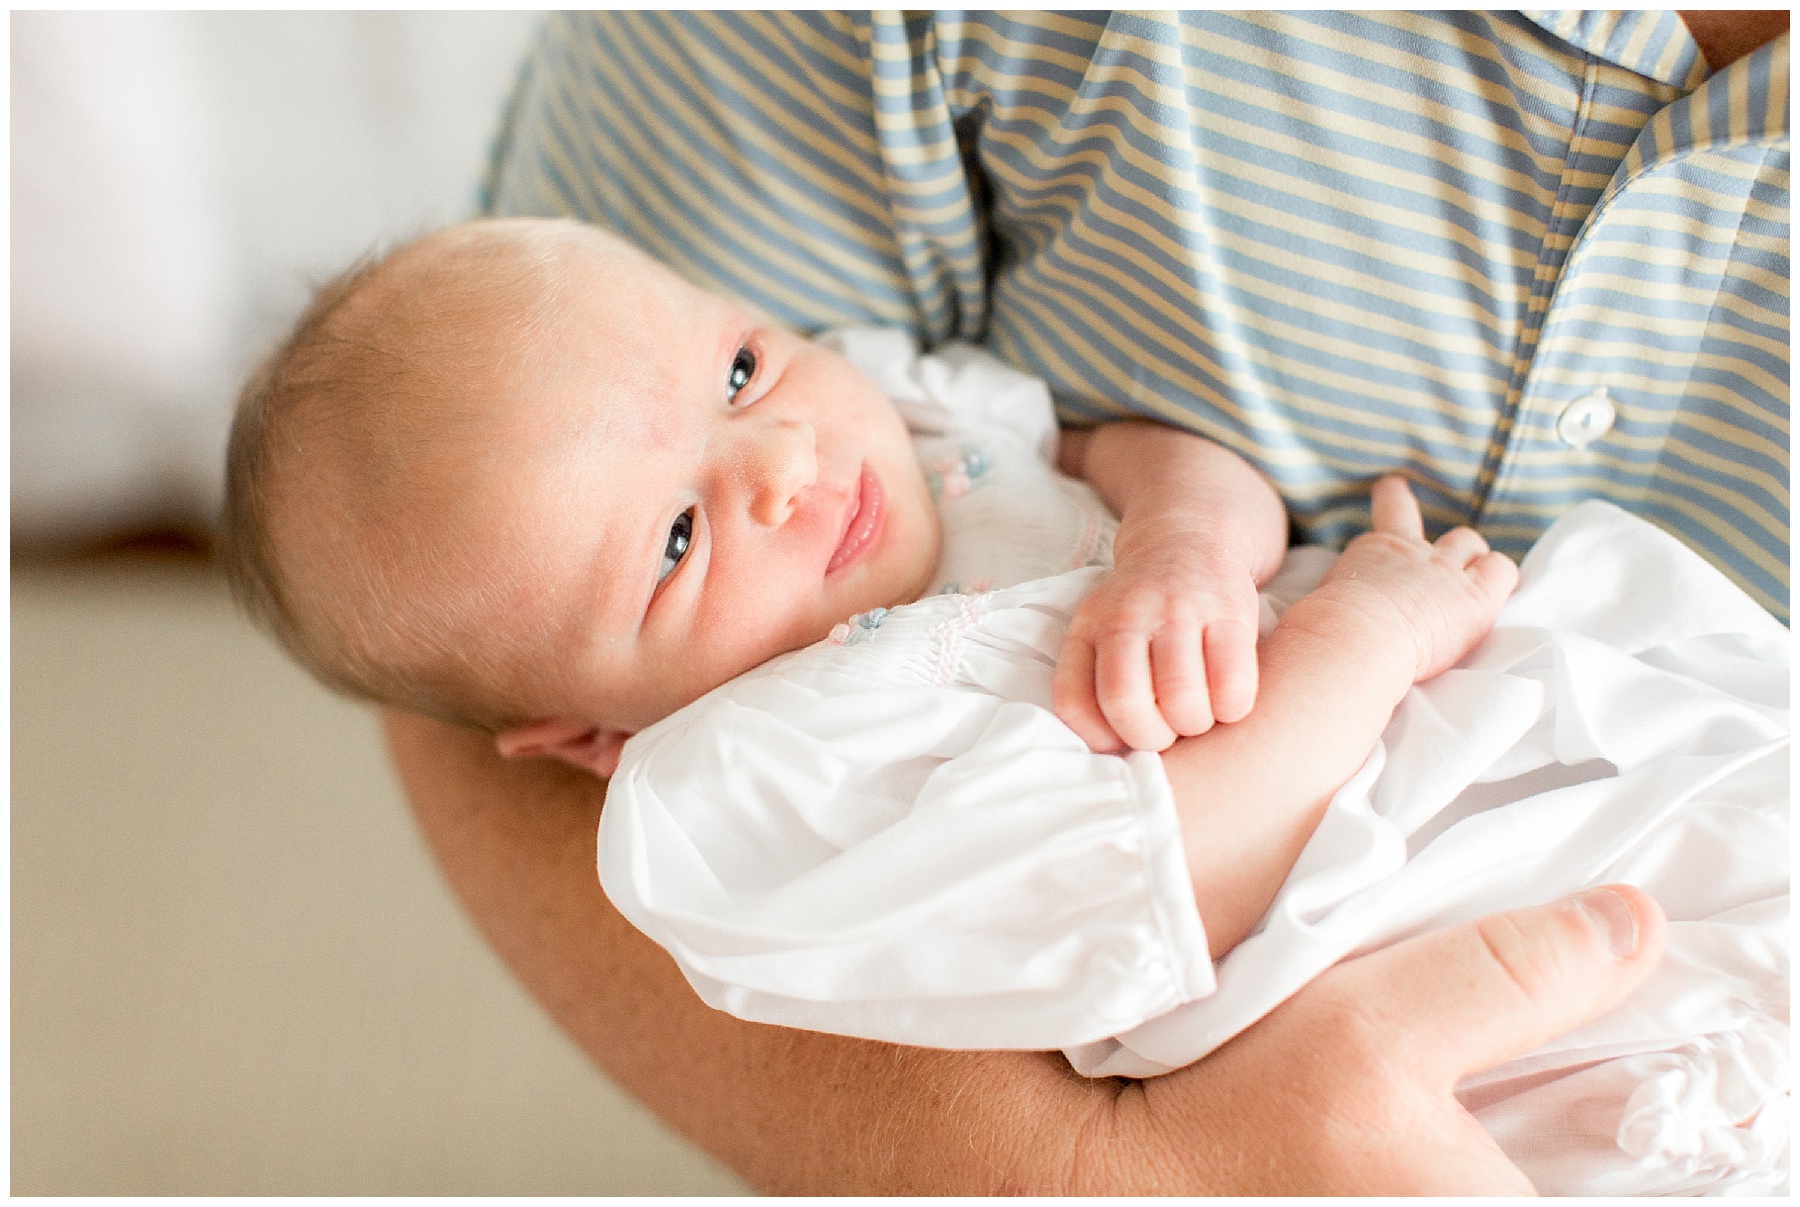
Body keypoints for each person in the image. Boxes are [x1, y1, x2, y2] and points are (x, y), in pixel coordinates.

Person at [381, 11, 1787, 1193]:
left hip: (1511, 780)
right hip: (1338, 940)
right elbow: (1182, 862)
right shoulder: (740, 791)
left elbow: (1106, 448)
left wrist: (1179, 536)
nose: (778, 467)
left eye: (740, 373)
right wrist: (1371, 635)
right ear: (586, 738)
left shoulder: (888, 424)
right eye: (680, 537)